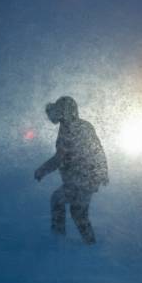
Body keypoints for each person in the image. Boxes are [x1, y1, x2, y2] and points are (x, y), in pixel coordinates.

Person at [34, 96, 109, 245]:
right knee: (77, 213)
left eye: (59, 112)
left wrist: (43, 170)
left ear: (65, 112)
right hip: (86, 178)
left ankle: (59, 239)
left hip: (82, 178)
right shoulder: (79, 126)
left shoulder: (72, 129)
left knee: (59, 201)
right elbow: (98, 150)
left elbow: (61, 157)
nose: (55, 117)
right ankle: (89, 244)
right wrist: (103, 171)